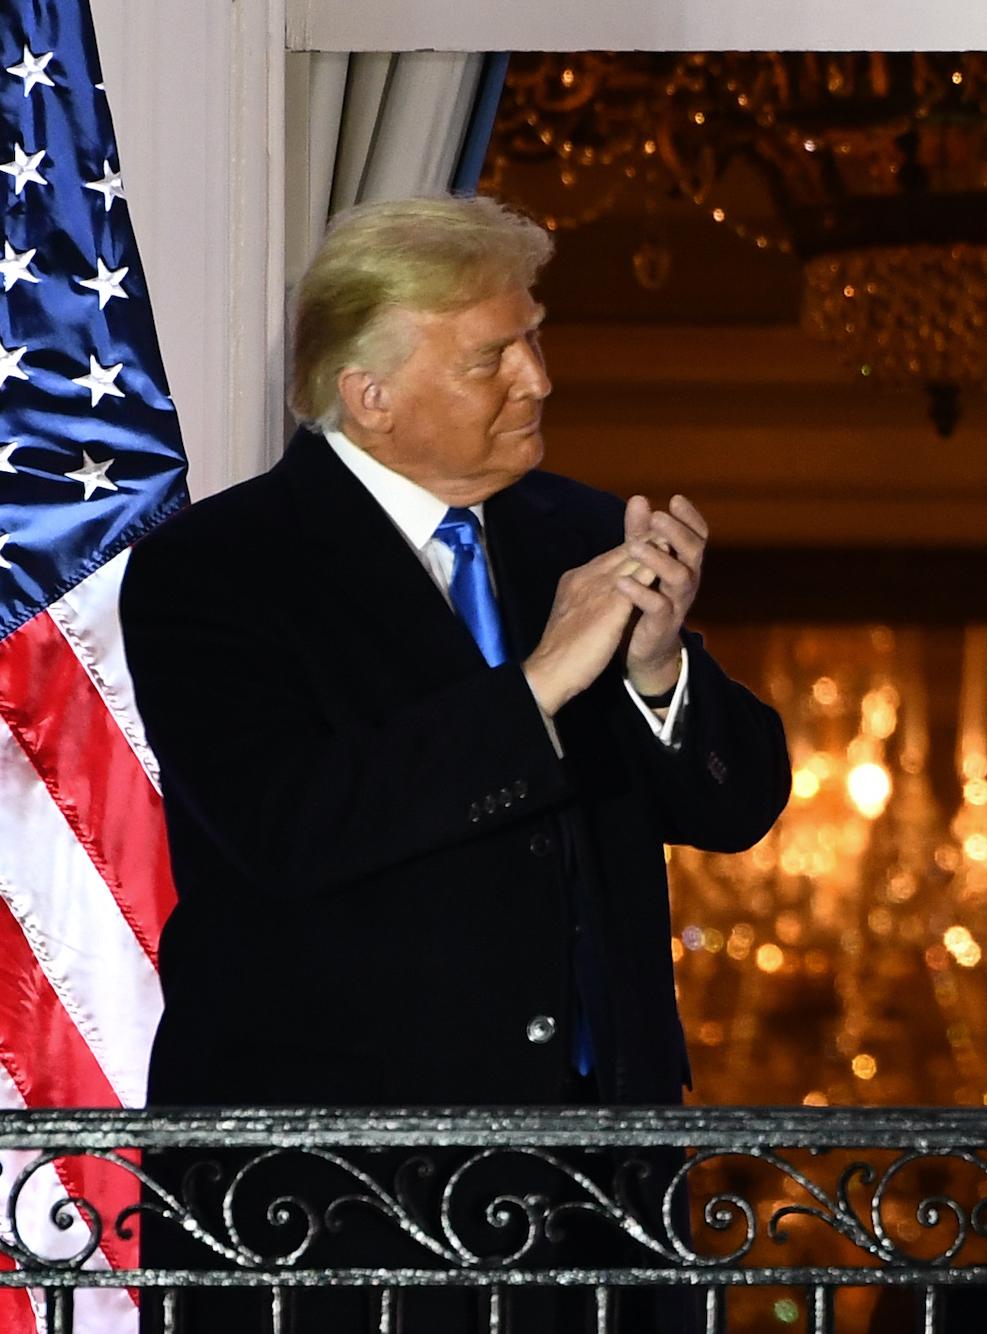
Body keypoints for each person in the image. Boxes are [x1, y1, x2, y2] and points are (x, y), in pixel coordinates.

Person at [122, 195, 790, 1332]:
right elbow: (291, 827)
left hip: (604, 1207)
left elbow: (734, 803)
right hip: (331, 1217)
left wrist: (657, 665)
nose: (537, 380)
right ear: (368, 395)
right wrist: (534, 686)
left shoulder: (579, 531)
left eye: (535, 337)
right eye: (493, 355)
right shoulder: (213, 569)